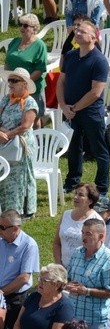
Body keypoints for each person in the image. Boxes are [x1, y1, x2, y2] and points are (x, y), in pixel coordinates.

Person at [58, 20, 110, 196]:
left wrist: (74, 108)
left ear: (93, 37)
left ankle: (102, 187)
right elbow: (61, 81)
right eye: (77, 30)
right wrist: (63, 106)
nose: (77, 33)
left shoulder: (100, 60)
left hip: (91, 112)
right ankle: (72, 181)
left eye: (82, 31)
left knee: (98, 150)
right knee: (73, 148)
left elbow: (95, 92)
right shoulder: (71, 56)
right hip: (70, 110)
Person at [66, 218, 110, 329]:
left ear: (101, 236)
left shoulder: (109, 259)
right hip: (74, 318)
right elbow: (68, 278)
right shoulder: (77, 253)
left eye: (88, 234)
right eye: (83, 233)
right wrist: (67, 285)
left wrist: (87, 291)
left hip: (95, 322)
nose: (83, 237)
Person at [0, 68, 38, 217]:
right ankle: (5, 208)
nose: (10, 84)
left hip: (20, 145)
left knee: (19, 177)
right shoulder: (5, 99)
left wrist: (7, 135)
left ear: (24, 84)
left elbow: (25, 126)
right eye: (9, 80)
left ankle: (21, 210)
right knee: (4, 173)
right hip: (3, 141)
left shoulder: (30, 103)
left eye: (14, 81)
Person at [0, 210, 39, 329]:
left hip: (15, 299)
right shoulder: (1, 241)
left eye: (2, 227)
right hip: (1, 294)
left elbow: (24, 278)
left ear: (15, 228)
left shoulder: (28, 245)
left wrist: (1, 292)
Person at [3, 14, 47, 125]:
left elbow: (40, 69)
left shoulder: (40, 46)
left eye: (26, 25)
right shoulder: (15, 41)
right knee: (16, 116)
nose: (22, 28)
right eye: (21, 25)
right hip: (14, 84)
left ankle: (38, 139)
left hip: (32, 87)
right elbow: (7, 61)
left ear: (35, 29)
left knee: (33, 117)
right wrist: (11, 80)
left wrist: (24, 83)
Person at [54, 184, 103, 267]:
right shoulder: (66, 215)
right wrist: (59, 265)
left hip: (83, 271)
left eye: (81, 195)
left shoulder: (97, 221)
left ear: (90, 201)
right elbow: (57, 243)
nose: (76, 197)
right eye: (75, 193)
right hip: (63, 269)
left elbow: (97, 252)